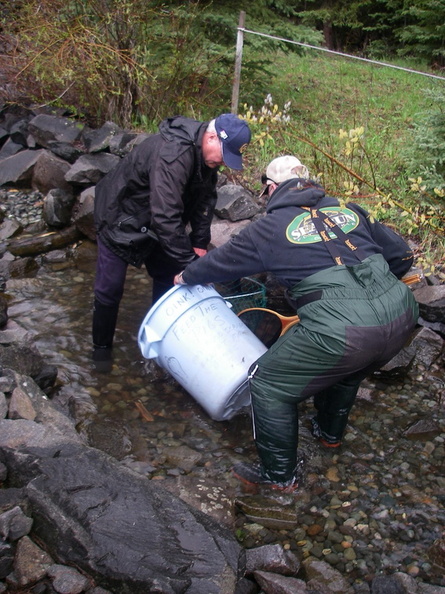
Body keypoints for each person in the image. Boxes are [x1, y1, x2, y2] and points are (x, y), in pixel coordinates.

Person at [173, 155, 419, 492]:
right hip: (401, 314)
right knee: (348, 371)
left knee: (267, 383)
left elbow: (221, 264)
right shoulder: (347, 209)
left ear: (272, 188)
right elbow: (403, 254)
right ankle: (329, 436)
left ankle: (279, 478)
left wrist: (185, 275)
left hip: (344, 329)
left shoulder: (268, 228)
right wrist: (375, 290)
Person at [92, 113, 251, 365]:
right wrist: (190, 264)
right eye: (225, 154)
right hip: (119, 215)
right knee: (110, 288)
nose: (224, 162)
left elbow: (205, 198)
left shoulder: (206, 157)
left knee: (168, 276)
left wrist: (199, 243)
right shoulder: (173, 154)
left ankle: (162, 341)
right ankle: (101, 351)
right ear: (211, 137)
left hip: (154, 220)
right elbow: (165, 217)